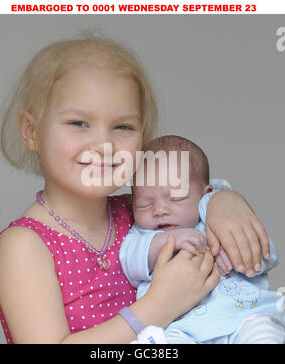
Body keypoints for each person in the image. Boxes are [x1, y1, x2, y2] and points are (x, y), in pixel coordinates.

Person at [0, 36, 270, 344]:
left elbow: (192, 194)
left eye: (123, 127)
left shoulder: (141, 210)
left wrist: (223, 200)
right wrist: (159, 305)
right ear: (31, 132)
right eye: (78, 123)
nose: (104, 145)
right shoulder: (24, 246)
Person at [120, 135, 285, 344]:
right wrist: (165, 241)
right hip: (181, 329)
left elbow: (266, 254)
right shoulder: (142, 234)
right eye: (144, 204)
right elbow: (129, 262)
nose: (160, 210)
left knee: (265, 333)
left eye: (176, 198)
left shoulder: (217, 217)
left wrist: (235, 252)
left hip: (246, 318)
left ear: (205, 194)